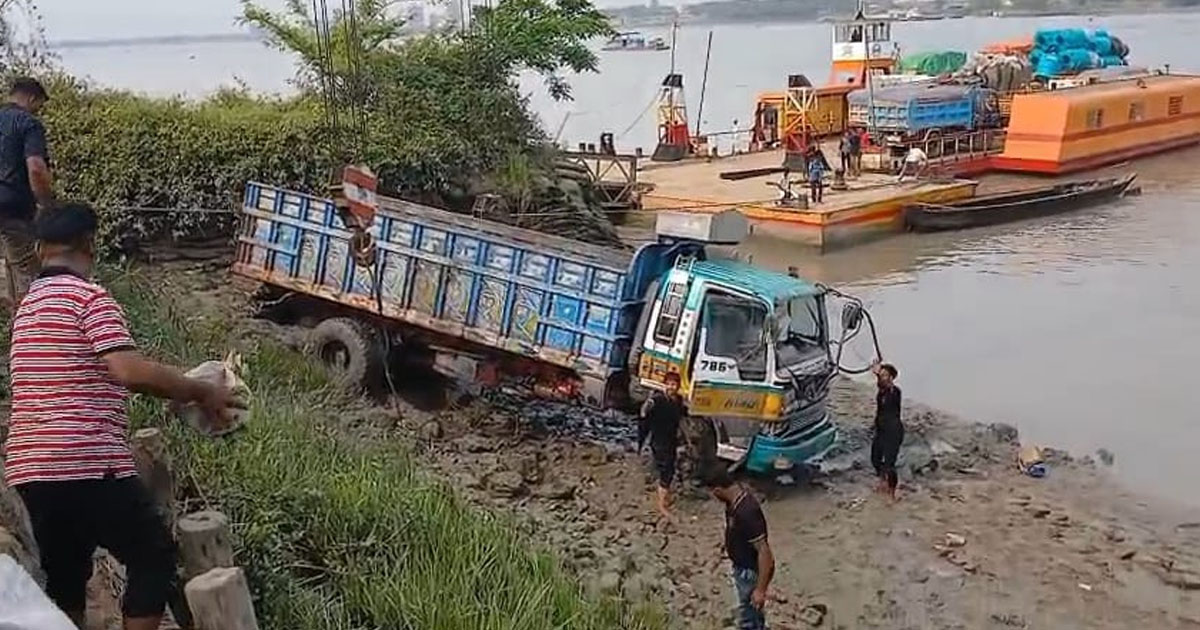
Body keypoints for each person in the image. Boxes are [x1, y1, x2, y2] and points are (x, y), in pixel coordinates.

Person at [4, 203, 243, 629]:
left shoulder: (27, 309)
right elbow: (127, 370)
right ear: (88, 244)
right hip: (87, 461)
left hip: (32, 469)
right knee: (153, 556)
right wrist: (202, 390)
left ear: (41, 250)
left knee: (65, 578)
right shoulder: (88, 298)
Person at [0, 77, 53, 306]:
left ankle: (16, 326)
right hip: (14, 207)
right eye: (38, 105)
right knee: (26, 271)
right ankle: (31, 329)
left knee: (10, 265)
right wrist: (45, 203)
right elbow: (36, 168)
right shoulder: (29, 123)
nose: (38, 110)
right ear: (32, 98)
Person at [705, 468, 775, 630]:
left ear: (718, 490)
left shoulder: (747, 512)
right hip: (741, 566)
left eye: (713, 493)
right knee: (750, 611)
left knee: (749, 615)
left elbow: (764, 552)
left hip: (749, 570)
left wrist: (760, 589)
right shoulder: (732, 504)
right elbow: (734, 530)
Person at [639, 372, 686, 519]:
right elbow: (644, 417)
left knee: (668, 467)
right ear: (665, 385)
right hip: (659, 440)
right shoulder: (657, 400)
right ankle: (661, 505)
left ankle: (663, 494)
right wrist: (641, 440)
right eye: (669, 384)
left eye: (674, 385)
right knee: (667, 470)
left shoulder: (678, 401)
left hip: (671, 440)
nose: (671, 387)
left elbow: (682, 415)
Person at [870, 361, 904, 501]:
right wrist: (877, 374)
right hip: (881, 430)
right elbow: (881, 386)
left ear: (891, 378)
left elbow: (886, 387)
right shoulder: (881, 392)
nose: (882, 377)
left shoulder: (894, 392)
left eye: (885, 375)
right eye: (881, 375)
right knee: (875, 458)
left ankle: (892, 492)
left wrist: (879, 374)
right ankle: (882, 481)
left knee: (890, 464)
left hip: (893, 432)